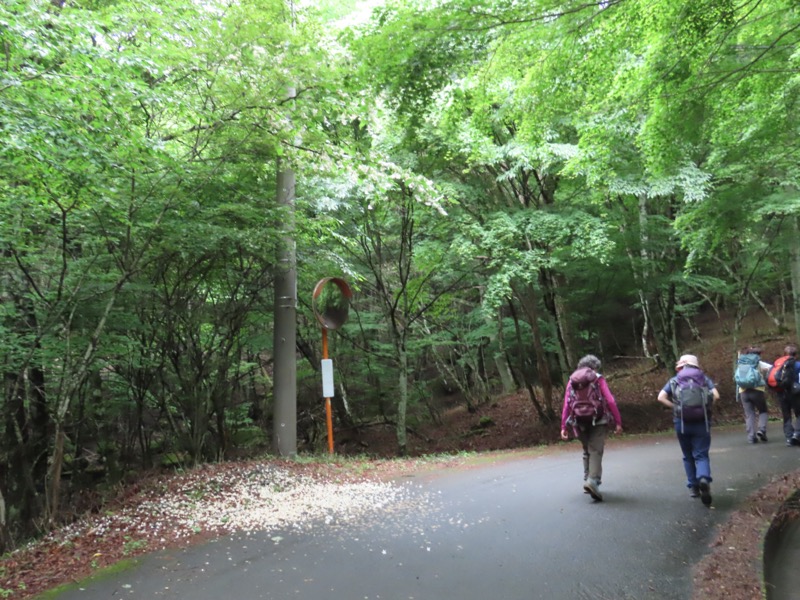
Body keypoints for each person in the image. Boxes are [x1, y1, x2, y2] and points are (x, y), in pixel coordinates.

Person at [656, 354, 720, 506]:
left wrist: (677, 408)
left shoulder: (675, 379)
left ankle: (693, 487)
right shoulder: (703, 379)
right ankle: (703, 477)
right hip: (701, 422)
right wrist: (706, 407)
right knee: (701, 454)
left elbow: (661, 397)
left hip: (681, 423)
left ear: (682, 366)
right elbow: (716, 396)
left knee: (687, 455)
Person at [560, 354, 623, 502]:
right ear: (594, 367)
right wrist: (618, 421)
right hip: (598, 419)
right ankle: (593, 481)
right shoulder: (597, 377)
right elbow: (610, 400)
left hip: (578, 420)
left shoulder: (572, 380)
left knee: (587, 449)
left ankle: (588, 478)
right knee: (595, 450)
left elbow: (567, 404)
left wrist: (563, 425)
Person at [735, 346, 772, 443]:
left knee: (749, 414)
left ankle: (751, 437)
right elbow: (771, 368)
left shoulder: (740, 362)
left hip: (743, 391)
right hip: (757, 390)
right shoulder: (758, 363)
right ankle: (762, 430)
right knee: (763, 411)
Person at [772, 344, 800, 447]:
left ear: (784, 354)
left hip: (781, 393)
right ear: (795, 355)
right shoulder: (798, 365)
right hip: (795, 393)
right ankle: (797, 434)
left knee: (786, 415)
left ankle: (789, 437)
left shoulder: (778, 365)